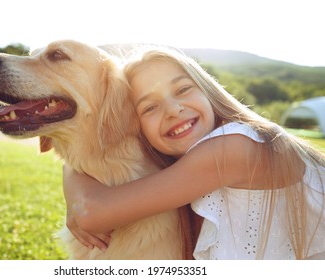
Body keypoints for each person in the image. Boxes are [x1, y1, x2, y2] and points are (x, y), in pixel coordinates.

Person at [63, 46, 325, 260]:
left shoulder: (234, 147)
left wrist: (71, 175)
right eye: (150, 107)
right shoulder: (184, 172)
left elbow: (90, 212)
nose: (173, 109)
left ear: (207, 90)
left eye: (182, 89)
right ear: (138, 128)